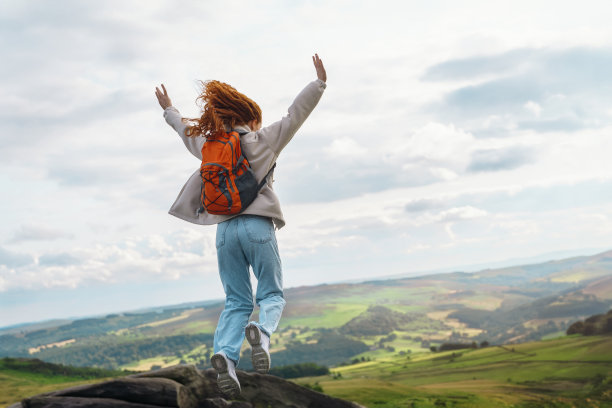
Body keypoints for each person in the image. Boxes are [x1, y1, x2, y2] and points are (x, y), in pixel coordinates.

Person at [155, 54, 327, 397]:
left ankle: (225, 356)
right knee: (271, 293)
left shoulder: (209, 147)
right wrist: (318, 83)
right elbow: (296, 115)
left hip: (224, 232)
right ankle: (261, 334)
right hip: (257, 227)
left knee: (236, 300)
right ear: (250, 116)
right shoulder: (263, 141)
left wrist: (169, 109)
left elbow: (184, 129)